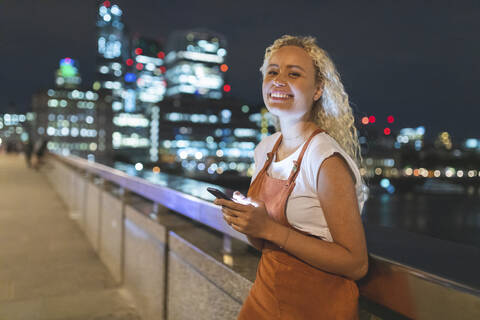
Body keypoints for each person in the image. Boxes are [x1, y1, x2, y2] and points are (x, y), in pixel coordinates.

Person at [215, 35, 369, 319]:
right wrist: (249, 223)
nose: (279, 80)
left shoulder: (324, 158)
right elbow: (262, 242)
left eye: (294, 74)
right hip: (266, 297)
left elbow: (356, 263)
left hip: (316, 307)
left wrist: (270, 229)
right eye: (272, 71)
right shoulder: (265, 149)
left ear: (318, 90)